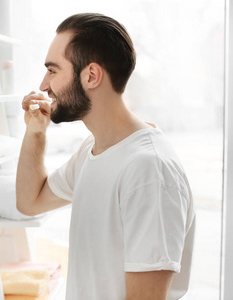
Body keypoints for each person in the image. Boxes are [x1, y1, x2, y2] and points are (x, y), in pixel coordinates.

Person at [16, 13, 195, 300]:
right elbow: (29, 201)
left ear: (91, 76)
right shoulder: (93, 149)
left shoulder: (149, 170)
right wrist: (36, 132)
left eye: (52, 70)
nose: (44, 84)